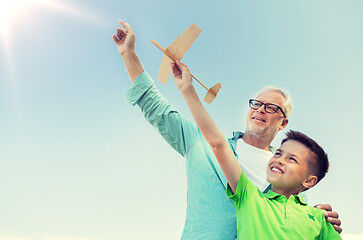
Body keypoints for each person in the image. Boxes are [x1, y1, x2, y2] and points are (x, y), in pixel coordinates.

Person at [112, 19, 342, 239]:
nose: (260, 110)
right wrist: (128, 54)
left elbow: (292, 222)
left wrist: (320, 217)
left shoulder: (286, 174)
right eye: (257, 104)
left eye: (271, 108)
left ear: (283, 123)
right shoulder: (200, 143)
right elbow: (155, 107)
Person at [171, 61, 342, 239]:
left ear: (309, 181)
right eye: (278, 154)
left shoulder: (318, 219)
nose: (280, 160)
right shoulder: (250, 198)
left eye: (292, 159)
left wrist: (315, 217)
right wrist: (187, 89)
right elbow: (217, 143)